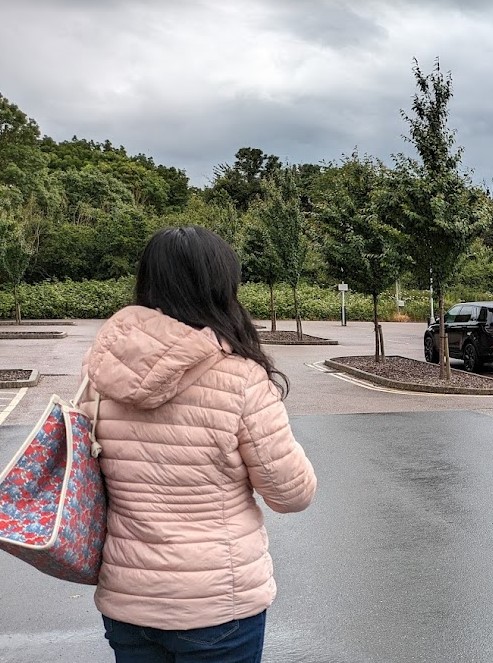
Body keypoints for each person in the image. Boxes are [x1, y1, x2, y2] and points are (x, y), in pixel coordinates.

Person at [81, 226, 318, 662]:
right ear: (220, 287)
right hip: (216, 604)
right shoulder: (241, 379)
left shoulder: (102, 378)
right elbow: (291, 494)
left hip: (128, 600)